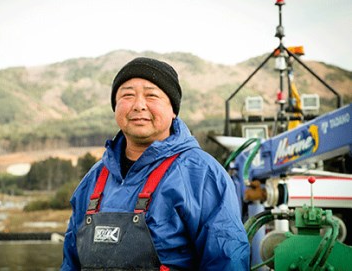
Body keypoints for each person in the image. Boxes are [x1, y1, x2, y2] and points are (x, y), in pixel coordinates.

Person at [61, 57, 250, 270]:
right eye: (127, 95)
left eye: (151, 95)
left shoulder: (203, 175)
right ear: (115, 106)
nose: (139, 105)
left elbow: (227, 261)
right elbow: (71, 261)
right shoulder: (93, 180)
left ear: (173, 110)